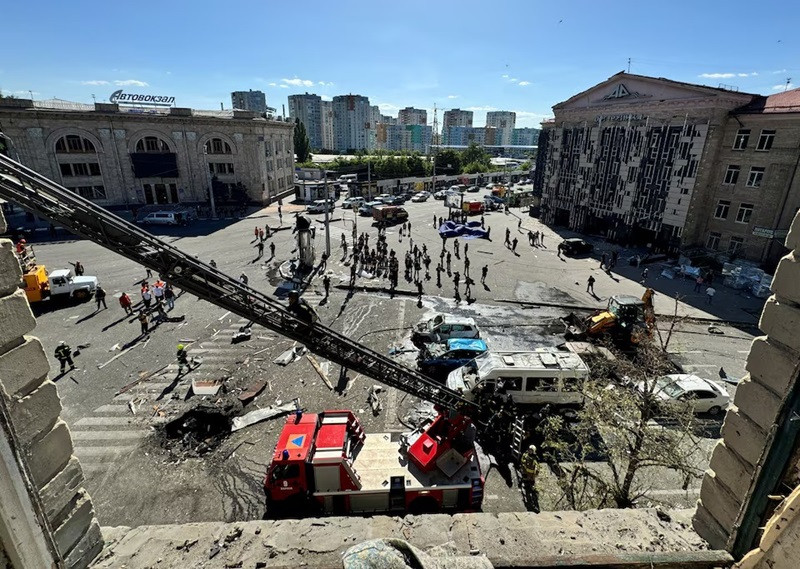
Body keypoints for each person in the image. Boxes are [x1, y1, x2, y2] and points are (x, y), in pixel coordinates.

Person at [520, 444, 541, 513]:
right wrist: (523, 467)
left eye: (531, 450)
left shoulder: (535, 458)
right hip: (526, 472)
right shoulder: (525, 455)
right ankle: (526, 487)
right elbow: (522, 461)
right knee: (525, 481)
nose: (530, 451)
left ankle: (532, 489)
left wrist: (536, 472)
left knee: (531, 483)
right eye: (529, 450)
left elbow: (537, 466)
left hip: (532, 474)